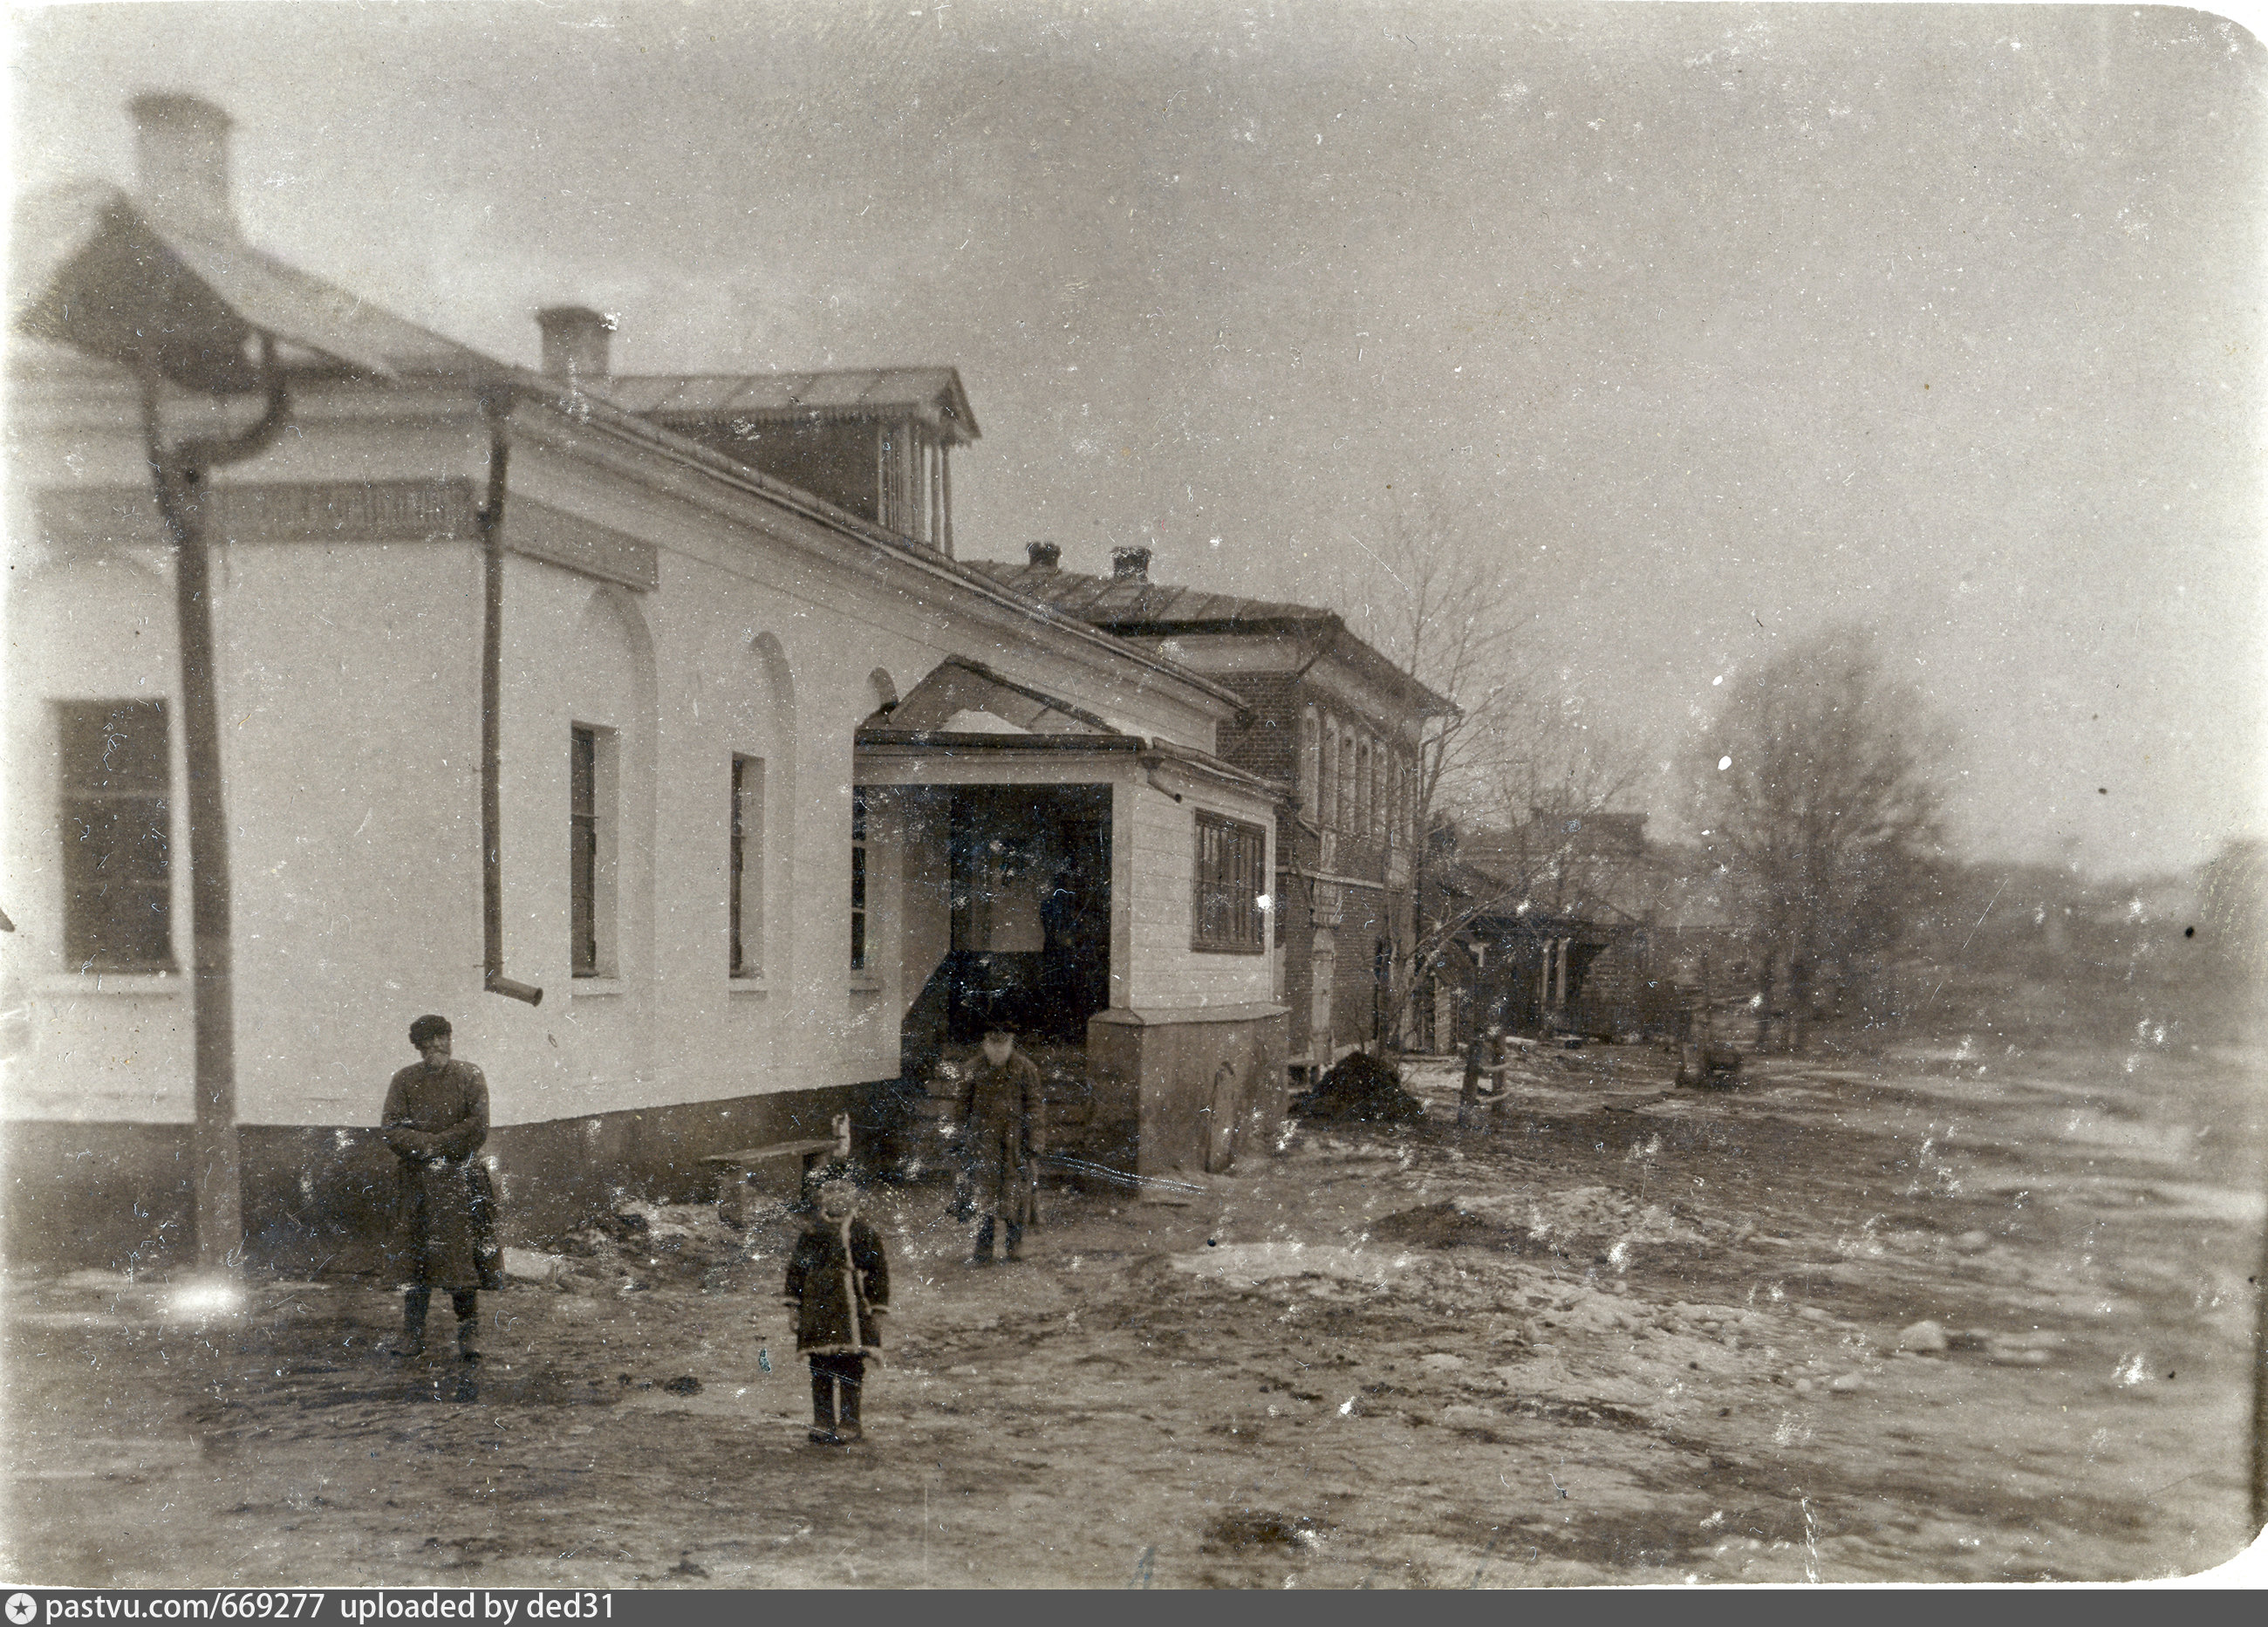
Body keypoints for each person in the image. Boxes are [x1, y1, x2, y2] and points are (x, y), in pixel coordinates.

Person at [380, 1015, 500, 1360]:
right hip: (417, 1183)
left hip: (460, 1180)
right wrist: (427, 1147)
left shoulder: (470, 1076)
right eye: (429, 1042)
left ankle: (469, 1334)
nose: (437, 1047)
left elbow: (477, 1127)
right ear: (418, 1047)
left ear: (451, 1040)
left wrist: (437, 1144)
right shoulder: (404, 1081)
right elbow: (391, 1129)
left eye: (442, 1039)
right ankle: (412, 1334)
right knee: (415, 1259)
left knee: (461, 1259)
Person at [781, 1177, 890, 1446]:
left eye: (843, 1190)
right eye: (830, 1190)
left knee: (850, 1363)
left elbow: (878, 1272)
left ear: (854, 1195)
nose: (836, 1196)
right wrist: (794, 1308)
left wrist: (876, 1311)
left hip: (850, 1303)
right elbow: (796, 1270)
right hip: (817, 1306)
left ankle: (851, 1422)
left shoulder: (863, 1231)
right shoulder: (811, 1232)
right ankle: (823, 1421)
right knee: (820, 1363)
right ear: (822, 1196)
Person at [958, 1021, 1043, 1264]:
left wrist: (1034, 1143)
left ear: (1011, 1041)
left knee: (1016, 1196)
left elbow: (1035, 1108)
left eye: (1003, 1040)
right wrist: (961, 1139)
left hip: (1014, 1145)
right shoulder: (972, 1069)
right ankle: (983, 1248)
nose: (997, 1046)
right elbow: (962, 1106)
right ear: (985, 1042)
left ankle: (1014, 1245)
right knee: (982, 1196)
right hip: (982, 1144)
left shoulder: (1026, 1069)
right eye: (993, 1040)